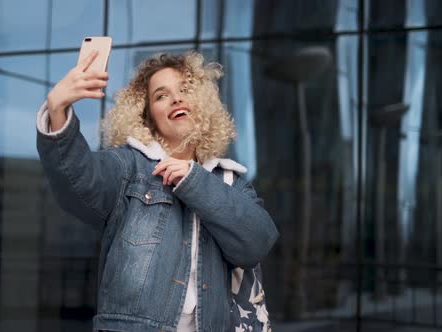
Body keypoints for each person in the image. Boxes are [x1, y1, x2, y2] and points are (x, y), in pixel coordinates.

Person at [36, 50, 278, 332]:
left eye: (185, 89)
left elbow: (259, 242)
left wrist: (194, 179)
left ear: (202, 104)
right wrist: (57, 110)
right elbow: (77, 182)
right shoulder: (129, 167)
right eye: (161, 95)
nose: (176, 98)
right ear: (148, 117)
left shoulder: (229, 182)